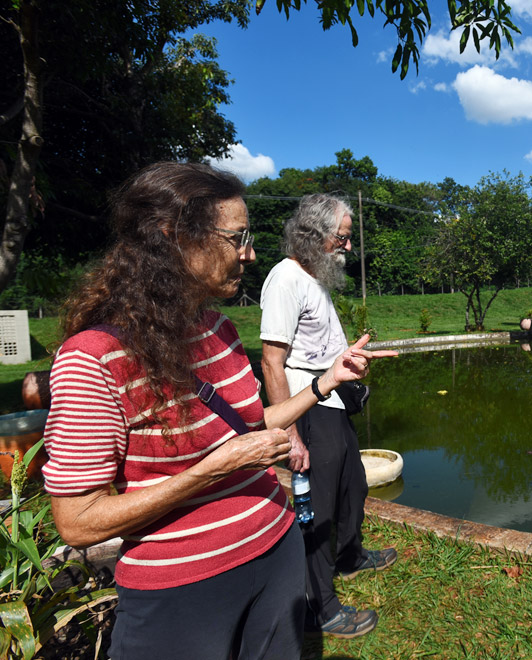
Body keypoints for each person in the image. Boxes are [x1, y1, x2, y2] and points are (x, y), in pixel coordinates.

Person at [41, 163, 395, 660]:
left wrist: (326, 381)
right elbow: (78, 522)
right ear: (172, 240)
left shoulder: (219, 331)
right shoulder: (93, 358)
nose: (249, 252)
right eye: (237, 237)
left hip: (276, 552)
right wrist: (211, 471)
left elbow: (253, 427)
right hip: (183, 588)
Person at [260, 194, 396, 639]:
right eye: (342, 237)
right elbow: (272, 364)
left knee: (351, 484)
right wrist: (291, 435)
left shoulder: (314, 276)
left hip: (333, 401)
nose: (348, 246)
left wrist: (350, 359)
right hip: (308, 408)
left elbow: (318, 348)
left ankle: (351, 556)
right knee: (315, 511)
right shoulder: (284, 280)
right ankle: (320, 606)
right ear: (315, 235)